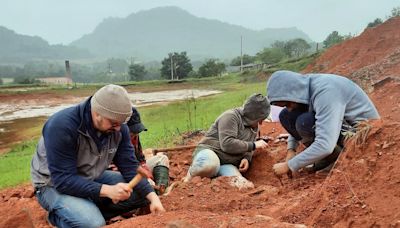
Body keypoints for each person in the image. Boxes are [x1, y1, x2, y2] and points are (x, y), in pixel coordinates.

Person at [31, 84, 165, 228]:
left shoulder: (117, 126)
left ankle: (86, 209)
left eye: (121, 123)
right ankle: (58, 217)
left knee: (143, 194)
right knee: (93, 223)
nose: (119, 129)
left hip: (89, 177)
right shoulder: (61, 126)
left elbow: (129, 165)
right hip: (52, 185)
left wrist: (153, 198)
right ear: (97, 113)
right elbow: (63, 180)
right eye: (114, 123)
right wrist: (108, 191)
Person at [266, 70, 380, 176]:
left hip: (363, 134)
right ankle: (327, 158)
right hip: (343, 125)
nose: (289, 108)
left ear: (293, 92)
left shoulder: (325, 92)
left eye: (287, 104)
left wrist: (289, 165)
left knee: (305, 122)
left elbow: (325, 144)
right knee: (286, 116)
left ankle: (340, 160)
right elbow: (291, 116)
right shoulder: (305, 87)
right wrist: (291, 150)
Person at [183, 93, 270, 188]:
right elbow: (227, 144)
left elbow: (248, 147)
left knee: (243, 185)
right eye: (260, 119)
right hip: (211, 152)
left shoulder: (254, 126)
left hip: (227, 163)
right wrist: (253, 145)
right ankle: (189, 177)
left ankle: (213, 181)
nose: (261, 123)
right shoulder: (231, 117)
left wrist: (246, 158)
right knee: (209, 166)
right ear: (252, 115)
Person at [126, 107, 170, 195]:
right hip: (125, 173)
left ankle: (160, 188)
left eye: (136, 131)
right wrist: (142, 174)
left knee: (162, 158)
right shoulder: (114, 140)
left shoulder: (135, 136)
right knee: (146, 182)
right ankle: (152, 191)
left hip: (137, 169)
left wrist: (144, 166)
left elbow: (140, 157)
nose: (135, 134)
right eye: (132, 131)